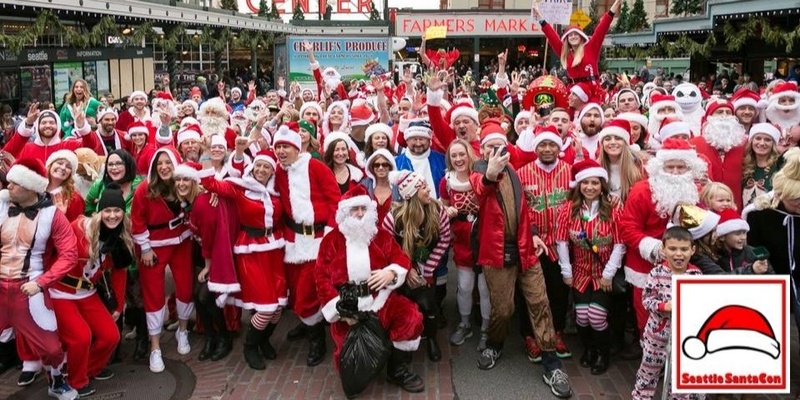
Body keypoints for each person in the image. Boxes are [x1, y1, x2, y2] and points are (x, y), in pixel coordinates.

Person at [470, 127, 573, 398]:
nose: (496, 152)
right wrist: (491, 172)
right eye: (490, 147)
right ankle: (495, 343)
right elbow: (482, 190)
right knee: (503, 310)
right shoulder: (478, 171)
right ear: (483, 150)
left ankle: (552, 363)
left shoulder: (515, 172)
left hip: (526, 250)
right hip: (497, 254)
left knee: (540, 303)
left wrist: (535, 235)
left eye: (500, 147)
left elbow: (523, 210)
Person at [316, 185, 425, 396]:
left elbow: (401, 259)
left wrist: (391, 274)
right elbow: (321, 279)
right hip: (348, 307)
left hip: (382, 300)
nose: (359, 214)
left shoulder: (381, 236)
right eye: (354, 209)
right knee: (348, 358)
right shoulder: (331, 241)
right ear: (345, 213)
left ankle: (397, 370)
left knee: (411, 318)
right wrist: (342, 311)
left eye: (363, 209)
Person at [199, 150, 289, 370]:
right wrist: (212, 155)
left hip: (274, 250)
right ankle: (250, 346)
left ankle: (262, 340)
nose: (261, 170)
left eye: (266, 167)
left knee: (278, 306)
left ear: (272, 171)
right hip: (250, 251)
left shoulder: (276, 193)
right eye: (258, 165)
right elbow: (211, 183)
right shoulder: (240, 188)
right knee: (266, 307)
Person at [0, 157, 79, 399]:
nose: (7, 186)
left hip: (29, 288)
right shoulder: (2, 203)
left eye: (14, 183)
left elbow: (70, 254)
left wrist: (42, 282)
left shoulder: (52, 215)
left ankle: (56, 381)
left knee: (53, 349)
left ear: (30, 187)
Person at [50, 185, 132, 396]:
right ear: (99, 211)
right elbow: (53, 244)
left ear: (123, 213)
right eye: (107, 211)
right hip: (61, 292)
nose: (112, 216)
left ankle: (86, 370)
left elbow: (119, 273)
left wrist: (119, 305)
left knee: (110, 336)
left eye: (117, 211)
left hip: (88, 293)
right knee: (81, 337)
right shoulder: (79, 227)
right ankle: (76, 381)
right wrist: (59, 216)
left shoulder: (120, 239)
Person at [619, 138, 706, 335]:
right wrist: (654, 248)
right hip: (645, 267)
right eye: (670, 167)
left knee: (687, 318)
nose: (675, 172)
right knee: (648, 320)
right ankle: (650, 358)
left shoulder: (696, 191)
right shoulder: (641, 190)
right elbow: (628, 227)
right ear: (660, 167)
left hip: (686, 266)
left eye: (681, 167)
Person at [272, 125, 341, 367]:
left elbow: (335, 200)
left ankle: (317, 340)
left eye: (285, 146)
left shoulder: (315, 166)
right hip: (292, 242)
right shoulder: (277, 172)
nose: (280, 151)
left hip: (317, 240)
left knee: (309, 292)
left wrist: (331, 234)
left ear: (296, 147)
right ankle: (309, 323)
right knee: (298, 292)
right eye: (277, 146)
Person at [555, 160, 625, 375]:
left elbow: (620, 243)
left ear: (602, 185)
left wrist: (608, 274)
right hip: (581, 271)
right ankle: (589, 349)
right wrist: (566, 271)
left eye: (595, 182)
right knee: (581, 316)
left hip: (603, 273)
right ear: (578, 185)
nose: (590, 187)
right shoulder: (569, 209)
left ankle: (603, 354)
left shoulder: (613, 208)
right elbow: (562, 242)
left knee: (596, 315)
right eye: (585, 182)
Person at [131, 147, 194, 373]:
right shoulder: (144, 189)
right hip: (154, 247)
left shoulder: (182, 184)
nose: (165, 167)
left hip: (182, 241)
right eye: (160, 164)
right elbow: (136, 221)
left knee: (186, 287)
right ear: (154, 167)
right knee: (153, 293)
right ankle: (155, 346)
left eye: (169, 162)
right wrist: (145, 248)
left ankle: (183, 330)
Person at [516, 124, 573, 359]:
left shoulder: (571, 171)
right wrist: (531, 234)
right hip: (533, 244)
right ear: (535, 147)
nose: (547, 149)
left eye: (552, 144)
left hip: (563, 246)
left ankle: (556, 331)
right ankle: (529, 335)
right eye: (542, 145)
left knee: (558, 292)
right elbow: (519, 210)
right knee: (529, 292)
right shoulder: (522, 173)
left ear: (558, 148)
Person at [383, 170, 451, 362]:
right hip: (402, 267)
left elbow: (444, 239)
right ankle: (406, 339)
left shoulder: (438, 211)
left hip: (427, 266)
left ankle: (431, 339)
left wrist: (427, 269)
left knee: (429, 305)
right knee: (404, 303)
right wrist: (407, 268)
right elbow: (387, 245)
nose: (429, 189)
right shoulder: (394, 218)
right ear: (411, 194)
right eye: (423, 187)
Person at [173, 162, 237, 363]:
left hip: (217, 254)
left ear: (194, 181)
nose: (181, 184)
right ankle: (211, 337)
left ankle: (224, 337)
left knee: (205, 297)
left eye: (186, 180)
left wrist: (209, 267)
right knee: (196, 295)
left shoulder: (203, 203)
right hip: (203, 253)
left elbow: (209, 237)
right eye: (178, 180)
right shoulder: (190, 203)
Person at [631, 226, 702, 400]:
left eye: (684, 249)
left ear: (692, 250)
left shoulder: (696, 275)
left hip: (683, 338)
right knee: (648, 373)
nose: (679, 254)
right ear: (663, 249)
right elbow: (647, 300)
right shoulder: (656, 273)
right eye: (673, 249)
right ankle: (641, 397)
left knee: (679, 377)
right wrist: (664, 306)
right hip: (657, 337)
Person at [440, 140, 489, 351]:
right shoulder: (447, 181)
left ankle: (486, 329)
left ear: (470, 155)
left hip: (484, 237)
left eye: (462, 154)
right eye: (454, 156)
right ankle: (465, 323)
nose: (459, 159)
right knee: (465, 286)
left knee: (484, 288)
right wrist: (448, 211)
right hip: (462, 239)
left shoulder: (479, 177)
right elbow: (443, 206)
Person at [745, 147, 800, 331]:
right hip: (777, 290)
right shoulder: (761, 216)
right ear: (780, 195)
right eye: (795, 200)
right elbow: (754, 251)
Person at [534, 0, 621, 86]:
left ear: (581, 37)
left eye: (576, 34)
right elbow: (552, 37)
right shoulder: (565, 52)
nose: (573, 36)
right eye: (570, 35)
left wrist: (616, 4)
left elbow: (602, 28)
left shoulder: (591, 47)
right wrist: (541, 19)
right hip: (573, 93)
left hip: (592, 92)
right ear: (567, 39)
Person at [742, 123, 784, 208]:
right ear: (751, 141)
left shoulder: (780, 166)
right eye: (758, 138)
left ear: (773, 144)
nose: (762, 143)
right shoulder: (744, 165)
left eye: (767, 140)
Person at [45, 150, 86, 222]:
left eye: (68, 167)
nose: (63, 168)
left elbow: (76, 228)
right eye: (59, 163)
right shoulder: (35, 189)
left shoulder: (74, 198)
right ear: (50, 165)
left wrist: (61, 216)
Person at [360, 148, 396, 225]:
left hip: (394, 233)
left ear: (390, 166)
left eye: (385, 164)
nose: (380, 168)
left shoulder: (398, 186)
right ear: (372, 167)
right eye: (376, 165)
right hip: (370, 233)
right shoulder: (364, 186)